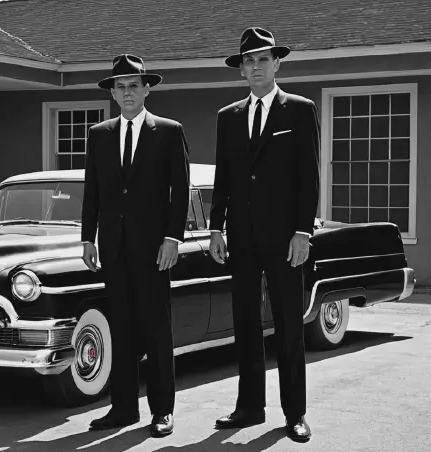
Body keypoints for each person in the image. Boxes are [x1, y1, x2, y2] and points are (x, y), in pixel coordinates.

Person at [207, 27, 320, 443]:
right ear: (241, 70)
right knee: (245, 321)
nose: (255, 66)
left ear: (277, 64)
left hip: (286, 238)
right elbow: (224, 177)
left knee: (289, 323)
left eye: (262, 59)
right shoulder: (229, 116)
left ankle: (295, 413)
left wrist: (303, 231)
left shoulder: (300, 110)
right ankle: (250, 406)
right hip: (241, 236)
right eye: (248, 61)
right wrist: (215, 227)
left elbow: (309, 177)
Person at [81, 54, 190, 438]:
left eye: (133, 85)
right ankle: (123, 410)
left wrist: (172, 238)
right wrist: (87, 237)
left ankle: (162, 411)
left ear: (146, 89)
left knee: (157, 332)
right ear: (112, 93)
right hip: (113, 249)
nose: (127, 92)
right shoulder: (99, 134)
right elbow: (92, 190)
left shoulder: (168, 131)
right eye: (120, 86)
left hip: (154, 251)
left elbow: (180, 191)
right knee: (122, 332)